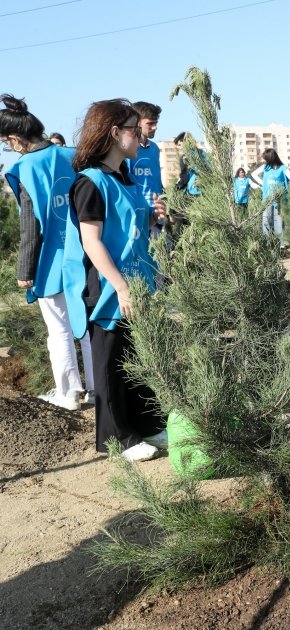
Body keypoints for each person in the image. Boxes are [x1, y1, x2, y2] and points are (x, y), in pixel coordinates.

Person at [63, 98, 168, 462]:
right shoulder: (90, 183)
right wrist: (121, 287)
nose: (140, 135)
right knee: (111, 364)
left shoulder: (123, 178)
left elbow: (132, 231)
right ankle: (117, 437)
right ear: (113, 133)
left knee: (138, 357)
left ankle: (148, 424)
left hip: (139, 284)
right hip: (109, 289)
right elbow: (91, 242)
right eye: (132, 129)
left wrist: (155, 219)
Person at [1, 94, 94, 411]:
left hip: (52, 261)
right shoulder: (72, 155)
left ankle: (68, 393)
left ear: (15, 139)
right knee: (88, 327)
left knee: (59, 330)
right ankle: (97, 391)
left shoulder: (26, 167)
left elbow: (31, 223)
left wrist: (24, 271)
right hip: (86, 253)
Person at [250, 149, 290, 252]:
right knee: (266, 222)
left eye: (266, 158)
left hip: (280, 201)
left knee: (279, 223)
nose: (265, 161)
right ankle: (268, 244)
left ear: (271, 158)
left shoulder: (283, 168)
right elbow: (253, 174)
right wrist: (262, 183)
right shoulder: (265, 167)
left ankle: (281, 245)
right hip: (267, 200)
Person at [129, 102, 164, 240]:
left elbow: (156, 180)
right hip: (138, 214)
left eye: (156, 123)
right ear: (137, 122)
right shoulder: (128, 150)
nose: (154, 127)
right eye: (150, 123)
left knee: (158, 257)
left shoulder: (154, 148)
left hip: (157, 212)